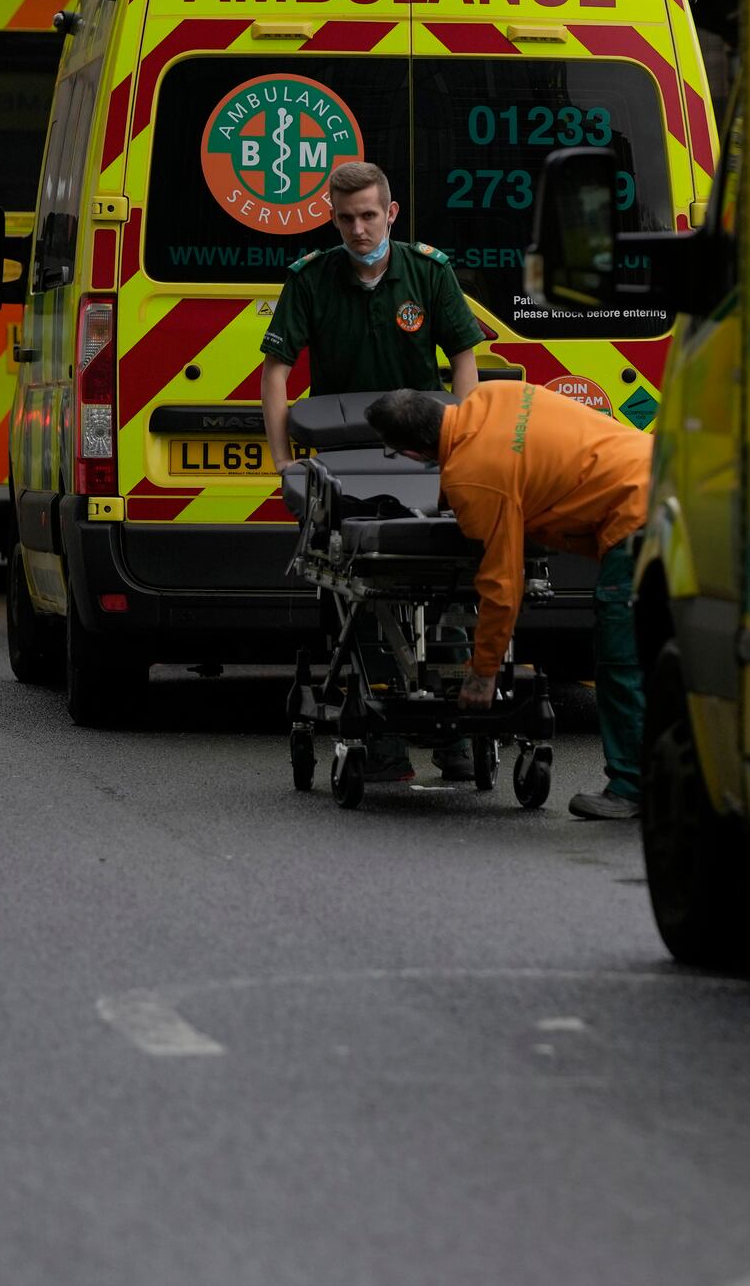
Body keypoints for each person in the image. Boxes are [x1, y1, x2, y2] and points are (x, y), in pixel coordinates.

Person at [262, 160, 489, 783]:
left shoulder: (428, 272)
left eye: (369, 215)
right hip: (344, 460)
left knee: (446, 583)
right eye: (345, 218)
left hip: (422, 452)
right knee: (356, 587)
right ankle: (380, 734)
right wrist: (287, 465)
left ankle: (453, 737)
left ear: (390, 213)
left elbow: (464, 358)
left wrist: (465, 446)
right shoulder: (311, 279)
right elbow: (276, 374)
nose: (358, 229)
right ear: (332, 218)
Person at [364, 382, 651, 821]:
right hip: (664, 474)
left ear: (411, 453)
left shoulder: (474, 474)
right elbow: (523, 458)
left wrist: (483, 673)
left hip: (637, 516)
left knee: (621, 659)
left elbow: (501, 584)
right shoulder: (494, 394)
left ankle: (631, 787)